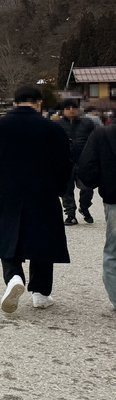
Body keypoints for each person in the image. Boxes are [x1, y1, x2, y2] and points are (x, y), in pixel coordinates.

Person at [0, 85, 72, 312]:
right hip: (43, 194)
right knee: (43, 240)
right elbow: (64, 165)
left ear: (14, 103)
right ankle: (40, 294)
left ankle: (13, 277)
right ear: (39, 103)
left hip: (9, 192)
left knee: (6, 235)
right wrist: (59, 190)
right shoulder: (53, 129)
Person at [78, 122, 116, 312]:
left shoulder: (102, 134)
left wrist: (98, 181)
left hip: (114, 198)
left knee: (113, 252)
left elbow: (87, 167)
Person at [57, 99, 96, 224]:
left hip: (84, 161)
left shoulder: (87, 123)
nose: (71, 110)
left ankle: (84, 207)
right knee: (66, 190)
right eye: (68, 108)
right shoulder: (57, 125)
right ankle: (70, 214)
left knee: (87, 187)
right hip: (65, 161)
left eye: (73, 108)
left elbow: (94, 140)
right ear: (63, 111)